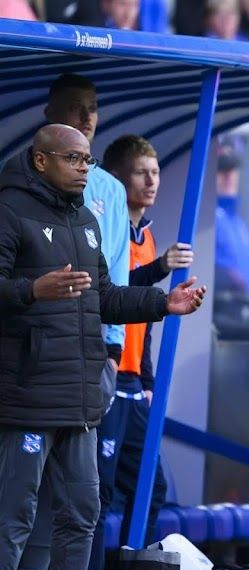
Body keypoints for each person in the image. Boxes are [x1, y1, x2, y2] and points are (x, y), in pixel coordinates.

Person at [0, 124, 205, 570]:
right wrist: (30, 290)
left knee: (83, 513)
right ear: (41, 161)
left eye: (89, 160)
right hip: (26, 395)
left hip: (79, 395)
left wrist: (164, 302)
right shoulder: (9, 211)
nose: (84, 168)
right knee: (13, 515)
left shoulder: (88, 222)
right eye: (73, 158)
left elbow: (107, 298)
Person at [83, 135, 194, 570]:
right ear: (114, 178)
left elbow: (141, 325)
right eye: (140, 173)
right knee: (97, 490)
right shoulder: (103, 226)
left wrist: (147, 380)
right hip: (107, 373)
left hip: (132, 380)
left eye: (155, 172)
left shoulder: (143, 233)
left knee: (153, 485)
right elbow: (118, 292)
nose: (152, 181)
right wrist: (158, 269)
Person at [44, 73, 131, 413]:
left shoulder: (111, 189)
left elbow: (119, 271)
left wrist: (113, 350)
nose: (87, 118)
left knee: (84, 464)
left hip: (93, 348)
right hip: (38, 343)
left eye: (92, 108)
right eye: (75, 108)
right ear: (50, 112)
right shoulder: (15, 177)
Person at [213, 146, 249, 295]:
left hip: (243, 310)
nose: (229, 176)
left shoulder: (237, 221)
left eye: (233, 169)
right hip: (218, 309)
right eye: (222, 169)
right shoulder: (206, 220)